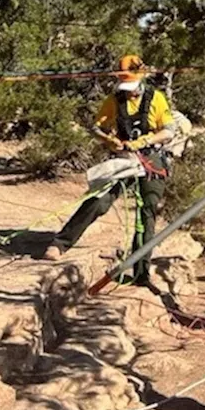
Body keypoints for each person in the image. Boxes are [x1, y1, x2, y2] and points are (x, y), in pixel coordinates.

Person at [46, 55, 175, 285]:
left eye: (132, 87)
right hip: (124, 158)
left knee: (147, 211)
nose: (129, 92)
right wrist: (108, 140)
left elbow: (168, 132)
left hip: (151, 158)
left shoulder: (157, 99)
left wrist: (143, 142)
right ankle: (61, 243)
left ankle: (140, 271)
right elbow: (97, 128)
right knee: (99, 200)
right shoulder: (113, 101)